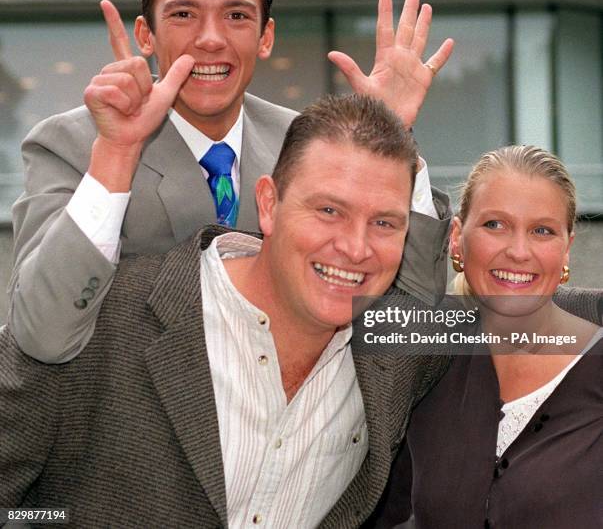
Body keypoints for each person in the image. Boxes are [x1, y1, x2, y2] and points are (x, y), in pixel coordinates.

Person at [1, 94, 450, 528]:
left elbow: (516, 323)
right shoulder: (103, 319)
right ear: (269, 205)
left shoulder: (398, 347)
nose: (355, 247)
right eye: (329, 210)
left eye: (384, 223)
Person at [8, 0, 453, 364]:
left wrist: (392, 137)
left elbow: (409, 327)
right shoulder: (73, 144)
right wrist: (116, 155)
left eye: (236, 16)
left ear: (266, 37)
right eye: (183, 14)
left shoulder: (308, 144)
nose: (211, 39)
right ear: (146, 35)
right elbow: (42, 335)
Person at [367, 145, 602, 528]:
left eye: (542, 231)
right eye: (495, 225)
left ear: (567, 249)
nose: (518, 251)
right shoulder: (430, 366)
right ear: (458, 237)